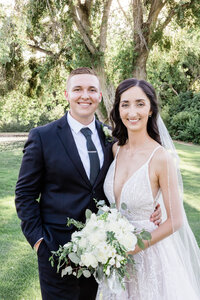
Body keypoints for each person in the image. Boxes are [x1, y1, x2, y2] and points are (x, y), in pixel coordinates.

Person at [15, 68, 161, 300]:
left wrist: (154, 203)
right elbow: (24, 194)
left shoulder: (113, 139)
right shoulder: (43, 136)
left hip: (102, 253)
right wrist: (39, 243)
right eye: (78, 89)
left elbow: (130, 180)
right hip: (56, 251)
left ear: (100, 96)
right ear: (66, 94)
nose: (85, 95)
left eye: (92, 90)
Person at [96, 78, 200, 300]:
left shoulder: (161, 158)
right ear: (118, 109)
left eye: (140, 104)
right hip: (115, 257)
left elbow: (176, 220)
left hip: (150, 257)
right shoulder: (116, 150)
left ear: (151, 109)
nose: (132, 112)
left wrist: (135, 246)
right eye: (125, 104)